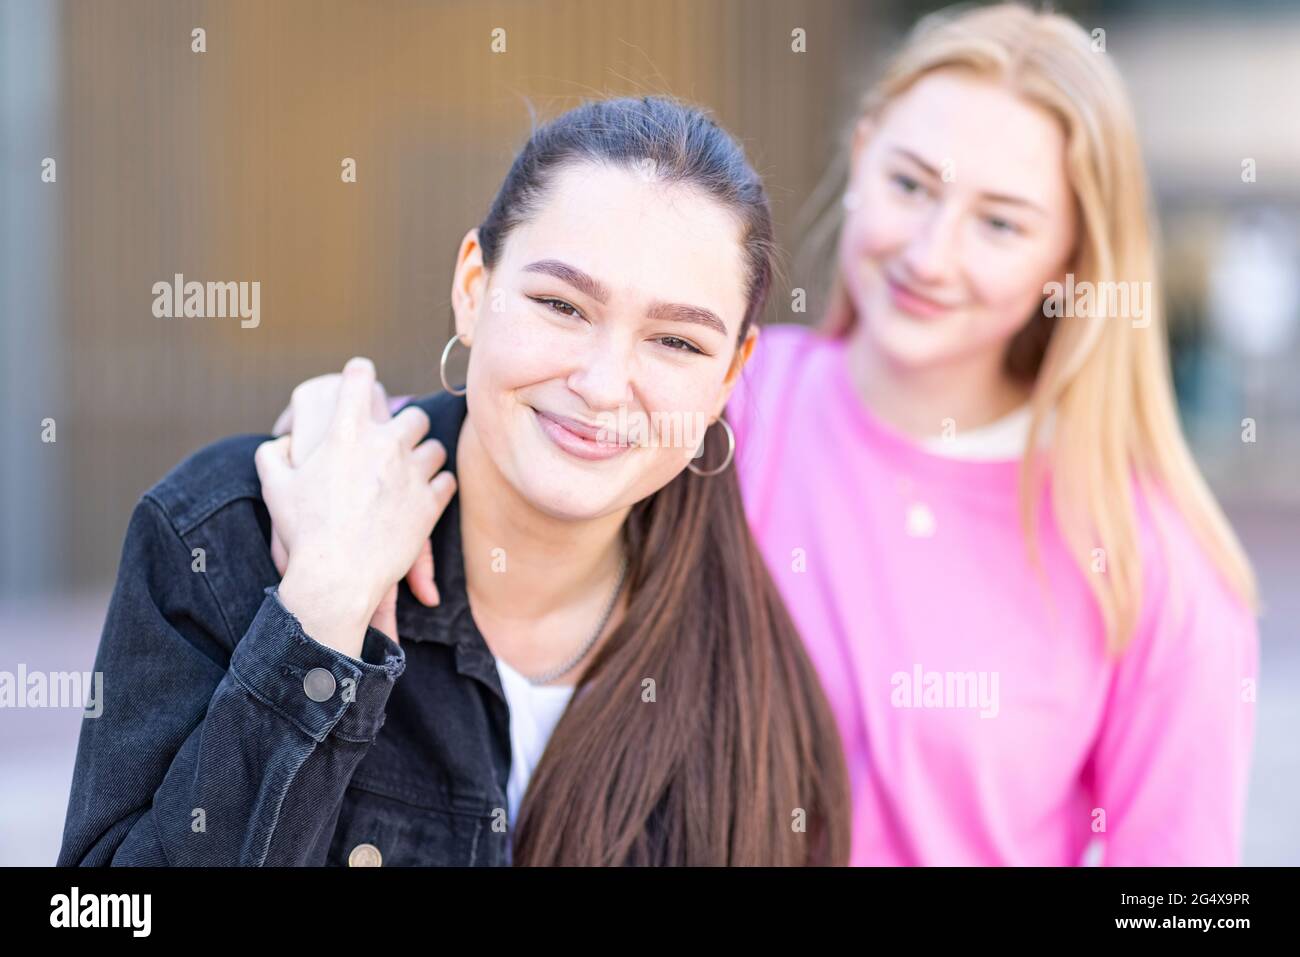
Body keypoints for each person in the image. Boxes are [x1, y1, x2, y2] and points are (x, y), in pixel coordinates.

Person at [281, 4, 1261, 866]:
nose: (929, 252)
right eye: (911, 184)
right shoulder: (713, 402)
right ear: (863, 151)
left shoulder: (1150, 563)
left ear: (1073, 257)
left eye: (1000, 224)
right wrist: (343, 413)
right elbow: (512, 413)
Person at [58, 96, 850, 867]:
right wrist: (325, 603)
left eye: (675, 342)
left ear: (731, 375)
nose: (605, 384)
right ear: (473, 288)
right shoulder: (228, 534)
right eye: (561, 304)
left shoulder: (759, 690)